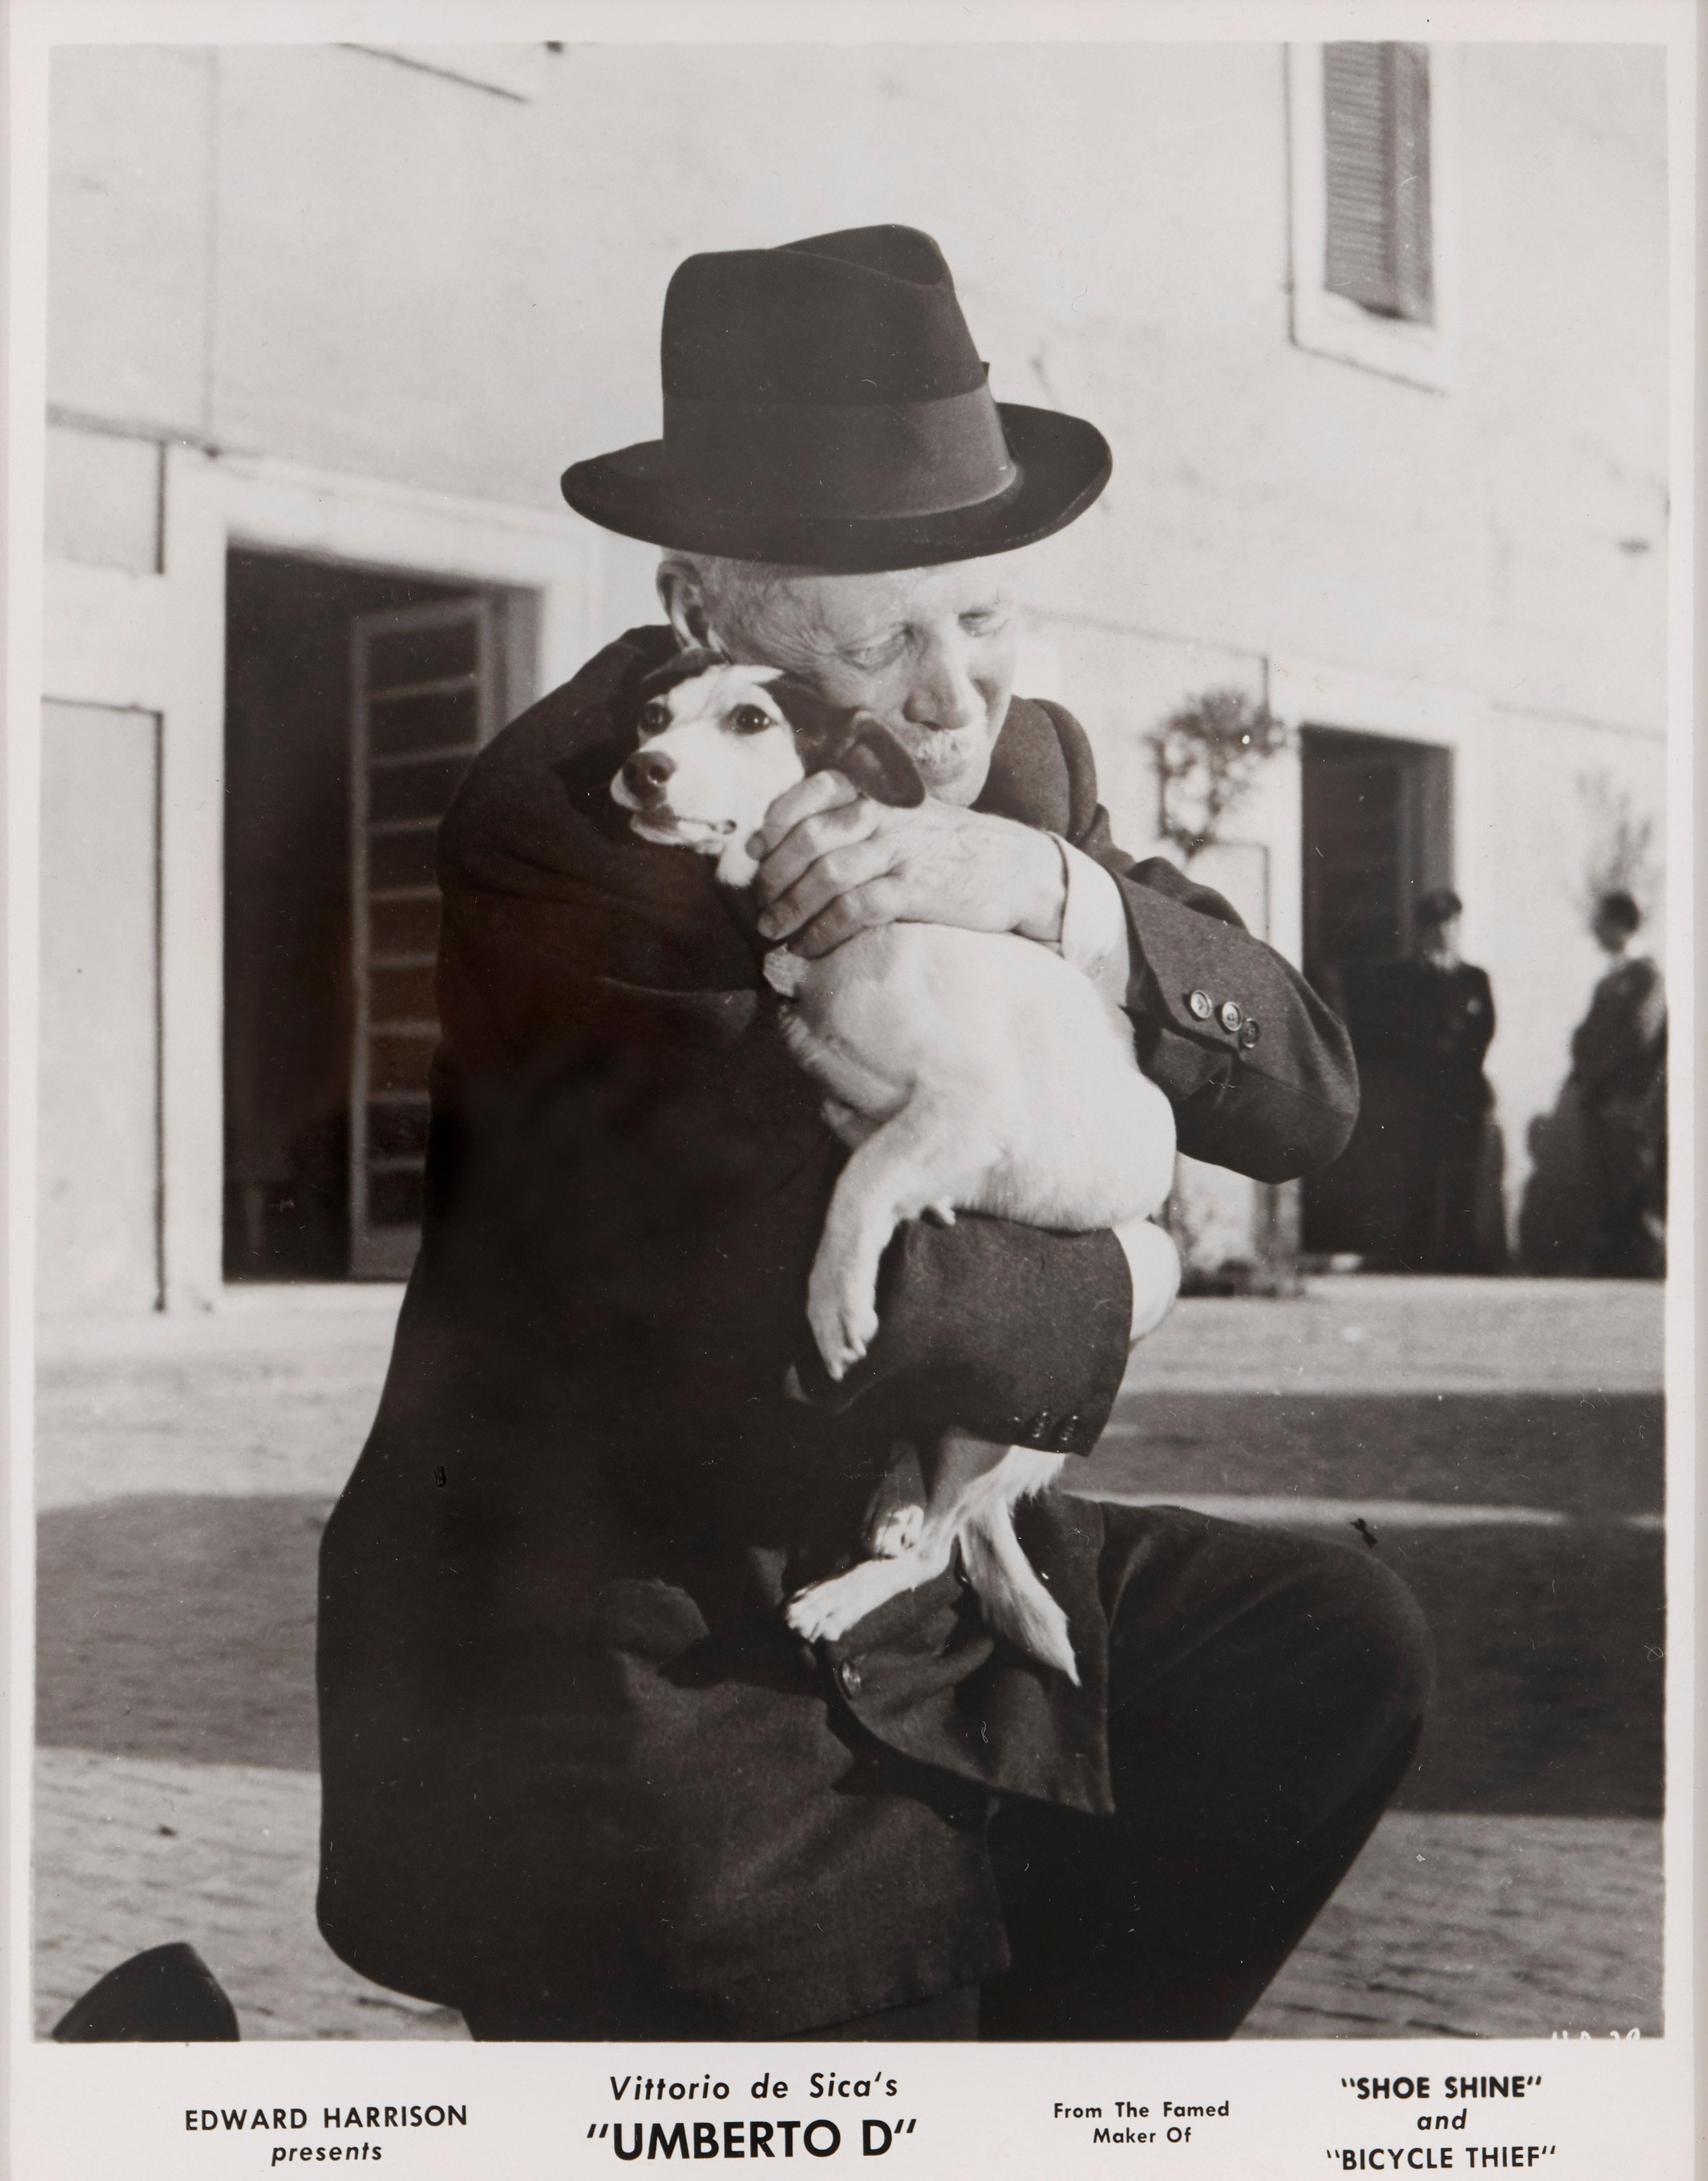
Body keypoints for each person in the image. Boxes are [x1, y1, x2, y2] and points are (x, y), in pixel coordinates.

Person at [315, 224, 1431, 2042]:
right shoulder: (576, 826)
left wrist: (1063, 895)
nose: (953, 696)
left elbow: (1305, 1091)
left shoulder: (1020, 771)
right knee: (854, 2001)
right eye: (883, 638)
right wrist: (1136, 1264)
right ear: (702, 616)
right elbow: (796, 1292)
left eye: (985, 617)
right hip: (664, 1656)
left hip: (905, 1565)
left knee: (1327, 1645)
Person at [1386, 891, 1499, 1273]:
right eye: (1434, 927)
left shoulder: (1474, 978)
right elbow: (1399, 1031)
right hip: (1423, 1088)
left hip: (1465, 1088)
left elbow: (1484, 1031)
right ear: (1421, 932)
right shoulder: (1407, 978)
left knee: (1464, 1170)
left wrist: (1461, 1061)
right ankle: (1419, 1253)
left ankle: (1460, 1252)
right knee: (1423, 1168)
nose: (1443, 934)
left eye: (1450, 925)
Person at [1571, 891, 1666, 1278]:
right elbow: (1584, 1035)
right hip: (1600, 1095)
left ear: (1620, 925)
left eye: (1601, 922)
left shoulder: (1647, 976)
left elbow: (1639, 1036)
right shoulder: (1609, 980)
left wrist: (1601, 1070)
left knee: (1633, 1179)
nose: (1594, 930)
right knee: (1606, 1181)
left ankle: (1646, 1261)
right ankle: (1614, 1261)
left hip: (1629, 1097)